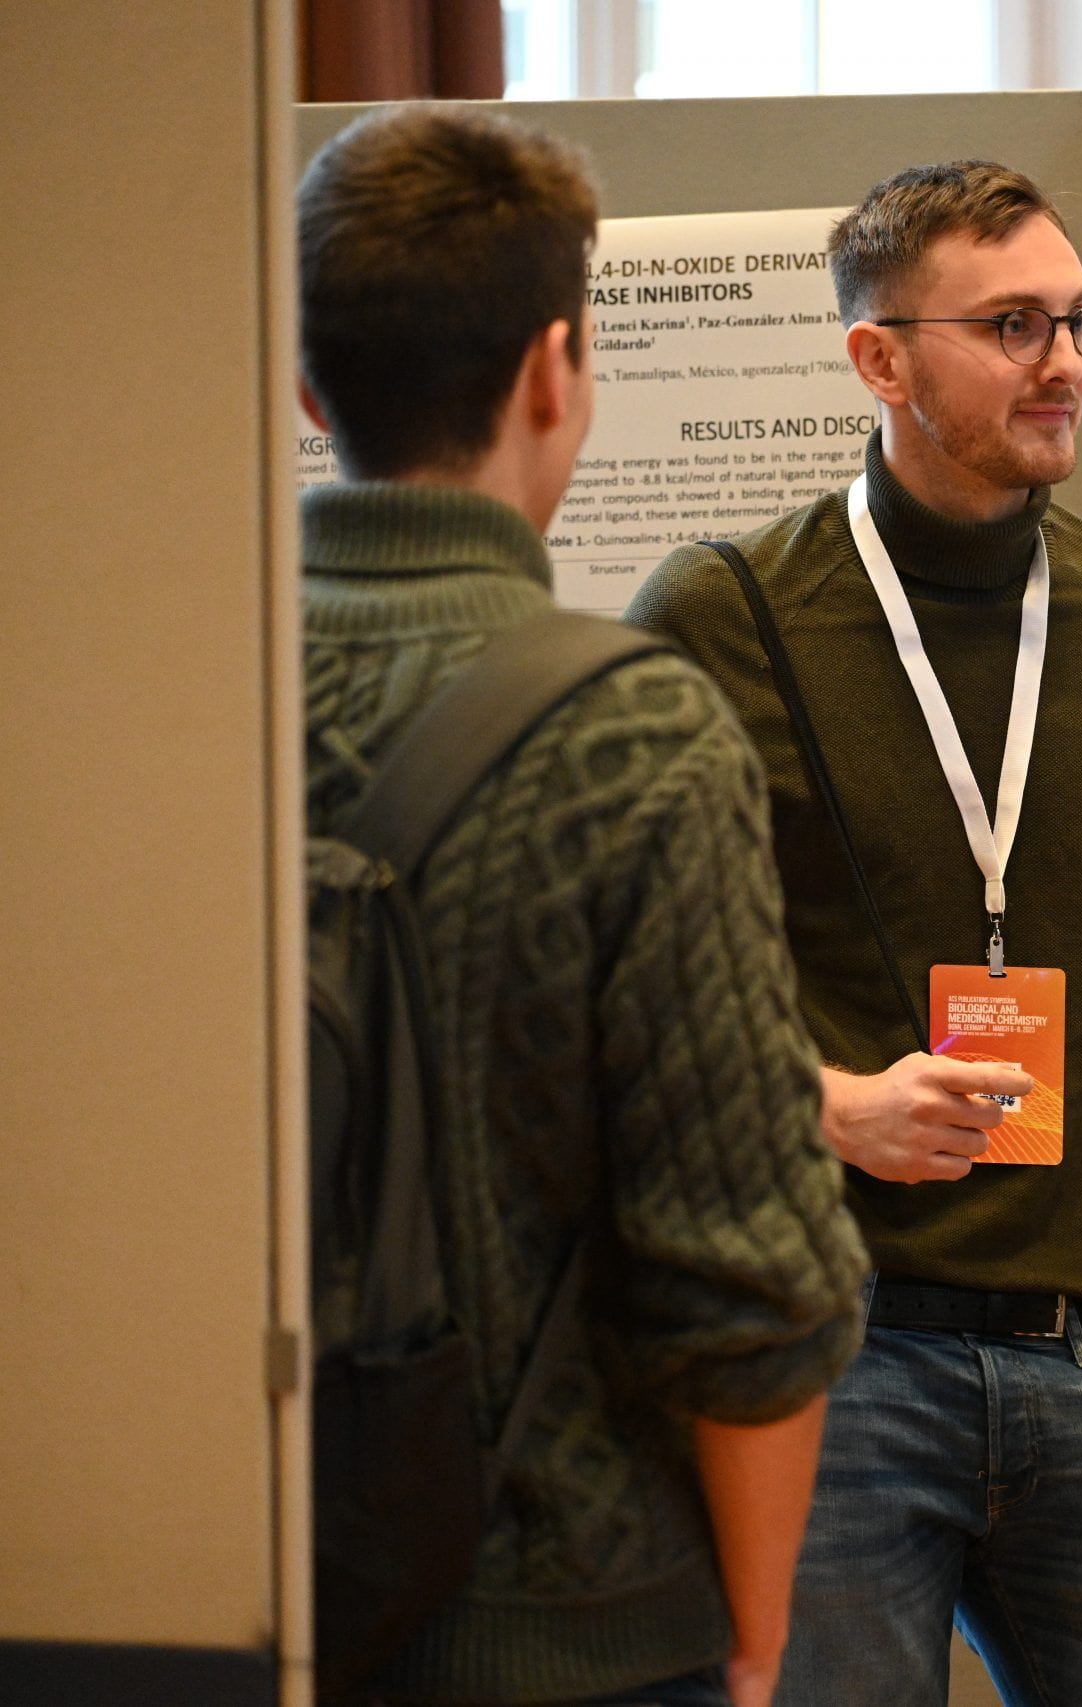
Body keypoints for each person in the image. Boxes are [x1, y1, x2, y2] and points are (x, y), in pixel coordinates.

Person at [628, 160, 1082, 1707]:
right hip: (834, 1366)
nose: (1065, 363)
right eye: (1011, 326)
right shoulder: (720, 619)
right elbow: (613, 1004)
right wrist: (832, 1108)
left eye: (1080, 321)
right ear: (882, 361)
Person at [299, 106, 868, 1707]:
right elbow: (749, 1279)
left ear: (308, 388)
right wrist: (753, 1643)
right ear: (556, 370)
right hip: (569, 1627)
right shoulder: (634, 733)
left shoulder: (157, 700)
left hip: (207, 1586)